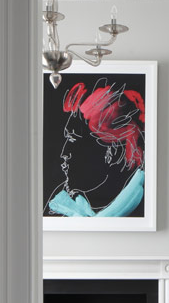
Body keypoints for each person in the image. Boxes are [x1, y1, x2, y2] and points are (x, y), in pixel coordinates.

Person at [44, 76, 146, 218]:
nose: (64, 153)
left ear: (113, 152)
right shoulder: (61, 204)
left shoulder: (143, 206)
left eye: (72, 139)